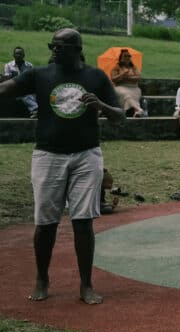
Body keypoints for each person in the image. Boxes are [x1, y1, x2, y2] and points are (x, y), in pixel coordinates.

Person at [0, 28, 125, 304]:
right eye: (52, 46)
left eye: (60, 47)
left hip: (86, 155)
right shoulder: (41, 75)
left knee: (83, 222)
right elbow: (6, 90)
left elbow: (119, 116)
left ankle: (86, 284)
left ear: (78, 49)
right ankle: (42, 278)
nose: (54, 51)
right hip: (48, 155)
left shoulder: (95, 77)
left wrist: (101, 105)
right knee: (46, 223)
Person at [1, 46, 38, 118]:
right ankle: (35, 109)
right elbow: (6, 79)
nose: (18, 55)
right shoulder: (8, 65)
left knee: (29, 93)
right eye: (17, 54)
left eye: (20, 54)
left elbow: (33, 79)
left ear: (23, 55)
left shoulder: (29, 65)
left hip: (26, 87)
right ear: (13, 55)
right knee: (25, 95)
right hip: (13, 88)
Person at [109, 48, 144, 118]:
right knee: (127, 95)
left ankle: (135, 110)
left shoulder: (134, 67)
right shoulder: (116, 68)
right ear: (121, 58)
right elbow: (114, 79)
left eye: (129, 56)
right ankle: (138, 110)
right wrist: (122, 75)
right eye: (125, 56)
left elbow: (138, 77)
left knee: (133, 95)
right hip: (121, 87)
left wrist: (126, 78)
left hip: (134, 87)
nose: (127, 57)